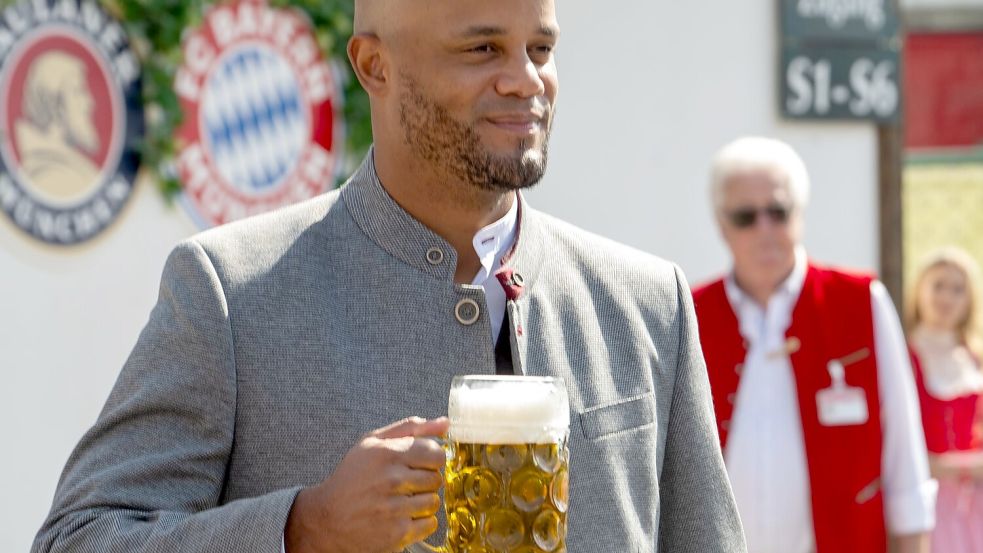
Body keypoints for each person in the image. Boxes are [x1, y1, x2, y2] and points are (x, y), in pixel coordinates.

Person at [32, 1, 745, 552]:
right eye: (482, 48)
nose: (525, 80)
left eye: (541, 48)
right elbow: (79, 536)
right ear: (374, 65)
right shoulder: (230, 293)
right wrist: (303, 528)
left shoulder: (651, 304)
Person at [692, 136, 936, 553]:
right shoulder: (691, 313)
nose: (765, 230)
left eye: (779, 212)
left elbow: (905, 463)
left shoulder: (861, 302)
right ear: (720, 223)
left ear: (800, 214)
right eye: (746, 217)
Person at [907, 247, 983, 552]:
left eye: (957, 289)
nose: (947, 298)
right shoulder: (904, 356)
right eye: (938, 286)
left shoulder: (975, 357)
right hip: (930, 503)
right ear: (919, 291)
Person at [15, 50, 102, 200]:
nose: (90, 102)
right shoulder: (49, 174)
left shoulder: (75, 168)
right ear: (55, 105)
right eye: (79, 92)